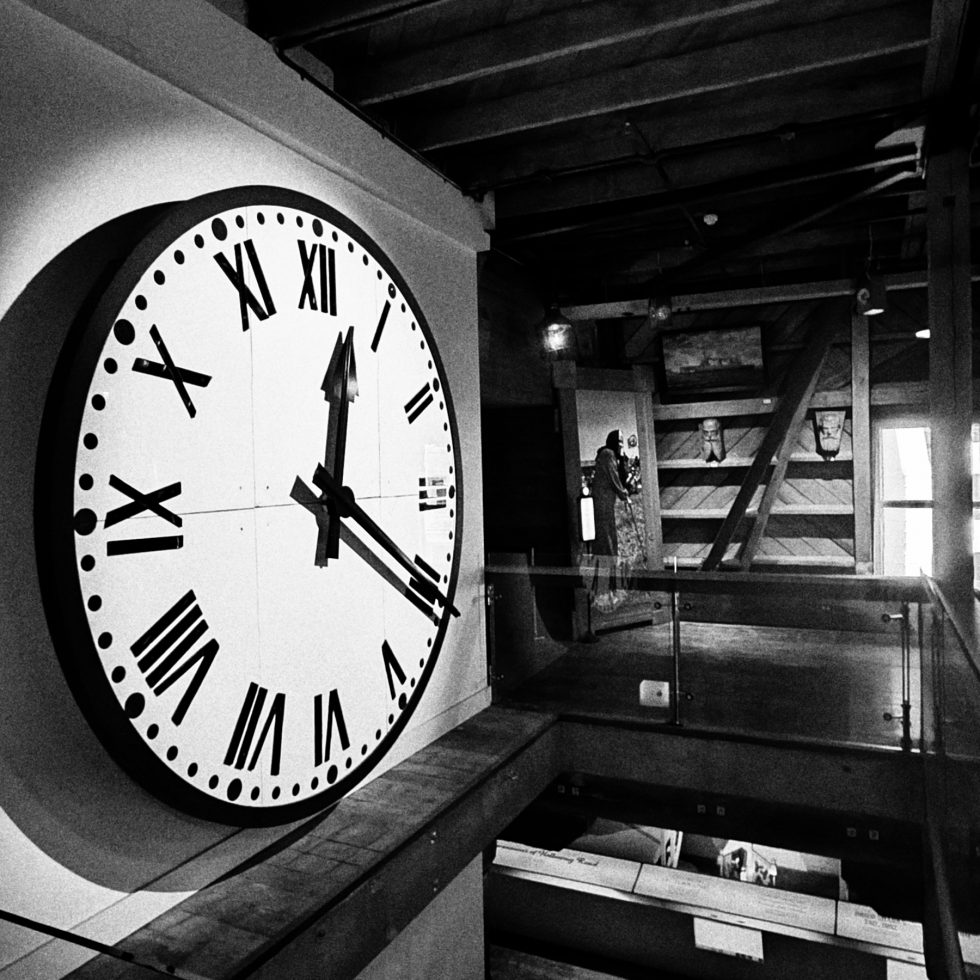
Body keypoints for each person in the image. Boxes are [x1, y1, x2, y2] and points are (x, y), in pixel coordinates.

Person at [591, 429, 629, 612]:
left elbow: (620, 475)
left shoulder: (612, 455)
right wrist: (623, 494)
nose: (621, 445)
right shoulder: (607, 454)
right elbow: (614, 477)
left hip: (606, 506)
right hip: (602, 506)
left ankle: (609, 588)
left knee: (610, 544)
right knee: (606, 545)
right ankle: (604, 591)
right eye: (619, 441)